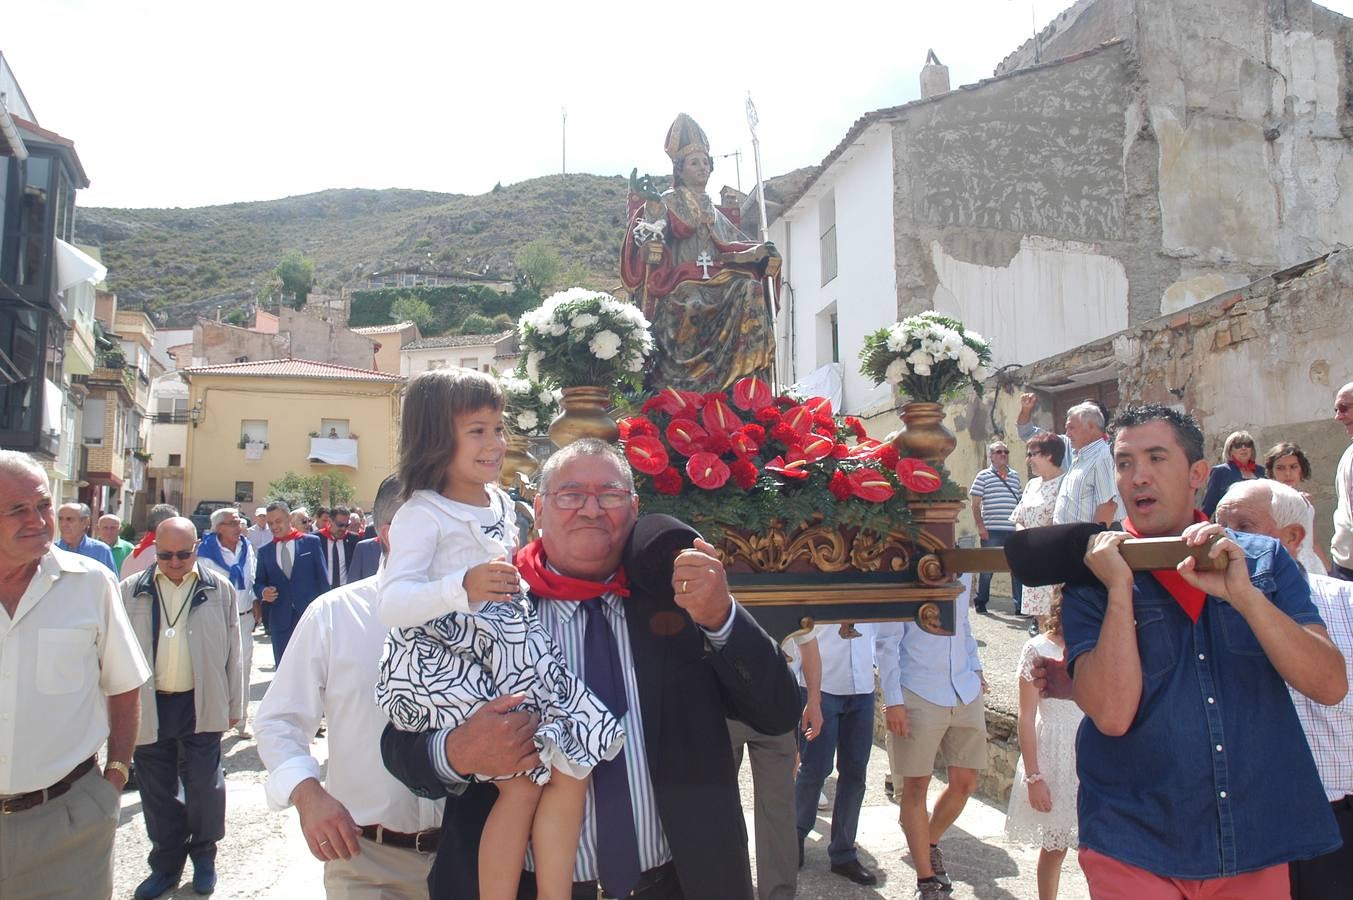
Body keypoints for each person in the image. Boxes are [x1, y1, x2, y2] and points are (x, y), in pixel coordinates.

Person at [380, 439, 801, 899]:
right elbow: (399, 745)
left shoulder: (680, 601)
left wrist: (722, 616)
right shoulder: (481, 606)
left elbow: (777, 711)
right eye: (570, 494)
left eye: (611, 495)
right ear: (538, 510)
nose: (590, 509)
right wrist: (459, 750)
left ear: (635, 508)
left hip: (677, 884)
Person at [1063, 404, 1345, 895]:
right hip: (1134, 839)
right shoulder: (1092, 575)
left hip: (1254, 838)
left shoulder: (1260, 558)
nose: (1138, 477)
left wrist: (1245, 597)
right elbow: (1111, 714)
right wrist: (1118, 591)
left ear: (1197, 473)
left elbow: (1329, 685)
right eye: (1125, 463)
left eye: (1155, 458)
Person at [375, 370, 623, 900]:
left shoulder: (503, 505)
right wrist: (459, 586)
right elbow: (391, 605)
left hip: (508, 648)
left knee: (573, 760)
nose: (495, 444)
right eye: (477, 431)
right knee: (519, 778)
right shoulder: (421, 513)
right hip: (447, 660)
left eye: (497, 428)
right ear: (436, 438)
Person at [255, 474, 444, 898]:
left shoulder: (484, 613)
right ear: (392, 534)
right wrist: (307, 795)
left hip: (474, 857)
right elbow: (278, 722)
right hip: (368, 863)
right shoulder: (335, 616)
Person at [0, 450, 150, 899]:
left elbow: (124, 685)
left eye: (43, 505)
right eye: (17, 510)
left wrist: (115, 777)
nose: (39, 520)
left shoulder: (91, 583)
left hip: (68, 820)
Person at [1212, 478, 1353, 899]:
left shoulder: (1345, 605)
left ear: (1292, 537)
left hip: (1338, 822)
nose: (1227, 540)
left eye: (1243, 525)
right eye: (1221, 526)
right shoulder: (1208, 611)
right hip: (1250, 822)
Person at [121, 516, 243, 899]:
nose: (174, 563)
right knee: (157, 791)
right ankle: (166, 864)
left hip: (200, 700)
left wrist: (235, 705)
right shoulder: (130, 590)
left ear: (197, 548)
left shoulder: (219, 589)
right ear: (154, 549)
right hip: (150, 704)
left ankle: (204, 856)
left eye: (183, 555)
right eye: (166, 555)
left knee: (205, 786)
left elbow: (234, 654)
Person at [620, 112, 781, 393]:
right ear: (679, 169)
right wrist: (652, 225)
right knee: (691, 302)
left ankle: (745, 385)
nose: (702, 168)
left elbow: (733, 245)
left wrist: (761, 253)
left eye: (706, 163)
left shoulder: (715, 211)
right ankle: (683, 387)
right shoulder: (668, 201)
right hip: (679, 282)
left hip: (719, 279)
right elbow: (650, 230)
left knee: (751, 289)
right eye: (695, 162)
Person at [876, 574, 988, 900]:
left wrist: (976, 668)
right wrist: (893, 698)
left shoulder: (964, 568)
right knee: (915, 787)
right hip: (918, 689)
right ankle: (926, 881)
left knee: (966, 782)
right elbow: (886, 640)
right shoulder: (905, 571)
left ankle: (927, 842)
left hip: (963, 688)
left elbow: (963, 623)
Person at [730, 629, 821, 900]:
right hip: (721, 702)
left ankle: (778, 894)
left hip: (774, 704)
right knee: (720, 808)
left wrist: (814, 700)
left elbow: (808, 639)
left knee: (778, 810)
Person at [1004, 590, 1081, 900]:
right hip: (1055, 753)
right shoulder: (1036, 648)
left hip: (1089, 749)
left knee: (1099, 847)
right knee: (1056, 846)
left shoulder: (1094, 646)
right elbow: (1026, 717)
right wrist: (1034, 777)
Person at [792, 623, 880, 886]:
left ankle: (843, 851)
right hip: (822, 682)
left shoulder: (876, 580)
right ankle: (795, 835)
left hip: (862, 685)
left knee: (855, 773)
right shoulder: (816, 579)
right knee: (815, 768)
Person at [1016, 393, 1121, 527]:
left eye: (1072, 427)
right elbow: (1028, 434)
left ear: (1092, 426)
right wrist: (1025, 410)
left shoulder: (1104, 455)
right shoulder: (1077, 452)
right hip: (1071, 539)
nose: (1067, 433)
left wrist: (1092, 541)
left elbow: (1108, 505)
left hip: (1088, 540)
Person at [197, 506, 258, 737]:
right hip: (215, 620)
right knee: (217, 670)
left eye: (239, 521)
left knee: (243, 668)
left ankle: (241, 719)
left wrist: (256, 603)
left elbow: (251, 579)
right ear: (218, 528)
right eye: (232, 523)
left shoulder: (246, 547)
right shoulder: (205, 552)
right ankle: (216, 720)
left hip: (243, 617)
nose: (238, 526)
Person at [255, 500, 329, 664]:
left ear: (289, 518)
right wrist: (263, 591)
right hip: (280, 621)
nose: (274, 527)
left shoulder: (311, 543)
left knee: (312, 667)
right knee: (283, 667)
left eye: (278, 521)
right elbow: (258, 582)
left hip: (310, 617)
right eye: (270, 523)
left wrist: (326, 615)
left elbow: (323, 581)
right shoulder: (265, 552)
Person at [1011, 432, 1066, 633]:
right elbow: (1019, 518)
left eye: (1033, 454)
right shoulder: (1032, 484)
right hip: (1032, 560)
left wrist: (1038, 543)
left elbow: (1060, 520)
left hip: (1052, 559)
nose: (1029, 459)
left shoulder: (1065, 482)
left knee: (1057, 620)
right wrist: (1024, 540)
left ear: (1049, 455)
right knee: (1040, 620)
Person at [969, 440, 1023, 614]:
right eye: (999, 452)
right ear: (991, 456)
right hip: (992, 530)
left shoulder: (1015, 476)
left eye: (1006, 452)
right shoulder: (983, 476)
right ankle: (981, 600)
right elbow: (975, 505)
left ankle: (1020, 605)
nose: (1003, 455)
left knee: (1017, 568)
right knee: (988, 568)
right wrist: (981, 527)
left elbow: (1021, 503)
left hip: (1013, 530)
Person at [1264, 441, 1330, 574]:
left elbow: (1312, 540)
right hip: (1287, 563)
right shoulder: (1270, 501)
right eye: (1280, 468)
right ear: (1272, 471)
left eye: (1293, 467)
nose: (1287, 473)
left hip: (1312, 563)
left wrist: (1327, 568)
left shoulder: (1305, 499)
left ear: (1301, 469)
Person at [1199, 429, 1265, 517]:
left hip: (1257, 523)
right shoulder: (1220, 471)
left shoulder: (1261, 471)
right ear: (1230, 451)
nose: (1243, 448)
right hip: (1230, 524)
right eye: (1238, 445)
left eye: (1248, 444)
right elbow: (1209, 504)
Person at [1330, 381, 1353, 581]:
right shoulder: (1348, 455)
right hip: (1346, 565)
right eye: (1336, 409)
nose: (1338, 416)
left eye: (1344, 408)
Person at [55, 500, 117, 573]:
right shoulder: (51, 551)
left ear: (85, 522)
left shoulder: (101, 551)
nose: (63, 524)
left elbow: (112, 582)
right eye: (60, 519)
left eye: (69, 519)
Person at [123, 503, 181, 578]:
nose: (179, 526)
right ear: (160, 524)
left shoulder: (134, 553)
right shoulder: (160, 554)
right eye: (175, 522)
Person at [319, 505, 360, 590]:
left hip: (346, 588)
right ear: (330, 521)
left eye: (346, 525)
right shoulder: (317, 539)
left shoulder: (353, 539)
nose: (343, 528)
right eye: (340, 525)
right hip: (323, 589)